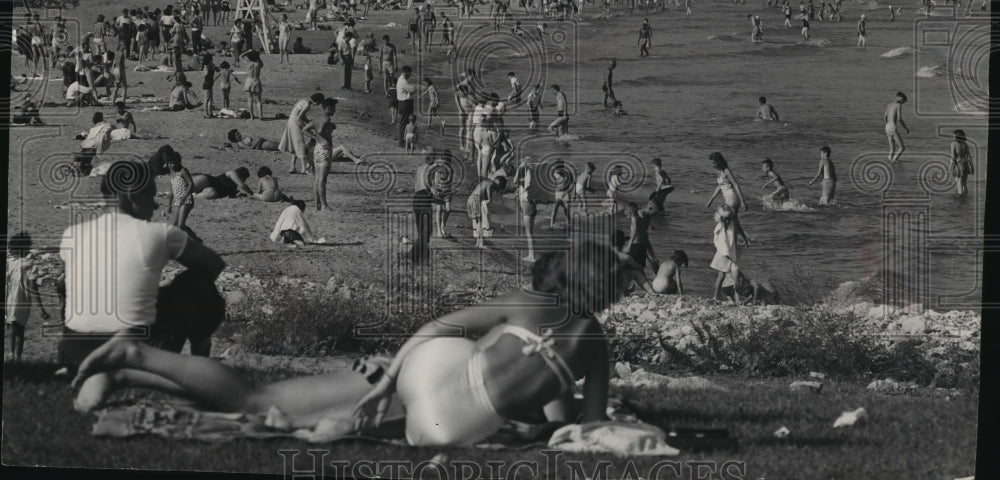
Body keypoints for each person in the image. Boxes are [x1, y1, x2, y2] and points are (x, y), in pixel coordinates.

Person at [71, 243, 626, 446]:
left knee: (263, 403)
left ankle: (128, 373)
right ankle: (134, 354)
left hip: (414, 375)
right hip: (416, 396)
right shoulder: (593, 343)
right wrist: (564, 411)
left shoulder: (527, 303)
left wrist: (387, 379)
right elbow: (582, 420)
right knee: (258, 402)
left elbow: (439, 328)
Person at [60, 159, 225, 409]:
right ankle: (195, 363)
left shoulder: (73, 233)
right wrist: (165, 291)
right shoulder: (158, 233)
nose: (156, 201)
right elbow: (214, 265)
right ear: (130, 195)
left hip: (75, 349)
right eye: (150, 193)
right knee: (198, 283)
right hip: (134, 346)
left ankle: (84, 372)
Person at [6, 232, 49, 362]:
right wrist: (41, 308)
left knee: (11, 326)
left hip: (11, 298)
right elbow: (33, 288)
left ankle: (10, 355)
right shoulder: (31, 265)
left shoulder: (10, 263)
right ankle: (17, 357)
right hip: (24, 300)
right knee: (20, 328)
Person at [710, 203, 750, 303]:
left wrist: (745, 239)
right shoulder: (719, 227)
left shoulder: (732, 221)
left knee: (736, 277)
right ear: (720, 217)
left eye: (729, 217)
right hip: (723, 254)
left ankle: (737, 298)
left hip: (732, 253)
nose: (727, 220)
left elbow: (739, 228)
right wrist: (727, 255)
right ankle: (716, 296)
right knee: (721, 276)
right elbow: (718, 243)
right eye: (725, 218)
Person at [280, 92, 325, 174]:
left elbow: (301, 115)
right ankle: (304, 169)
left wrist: (308, 122)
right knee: (300, 145)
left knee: (294, 145)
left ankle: (292, 166)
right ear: (317, 101)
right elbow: (299, 118)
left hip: (290, 122)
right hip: (295, 124)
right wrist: (305, 127)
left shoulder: (303, 101)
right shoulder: (307, 105)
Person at [466, 175, 505, 249]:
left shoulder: (486, 181)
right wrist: (489, 202)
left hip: (471, 198)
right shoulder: (492, 183)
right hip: (476, 199)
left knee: (477, 222)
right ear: (499, 182)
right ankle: (481, 243)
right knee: (481, 222)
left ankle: (478, 242)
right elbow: (489, 192)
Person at [624, 202, 659, 273]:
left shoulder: (635, 217)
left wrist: (629, 245)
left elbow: (635, 231)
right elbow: (639, 231)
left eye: (626, 211)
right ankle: (655, 278)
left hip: (636, 245)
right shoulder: (641, 217)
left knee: (631, 268)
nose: (625, 213)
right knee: (641, 268)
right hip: (642, 244)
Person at [166, 151, 196, 231]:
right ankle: (195, 239)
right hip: (177, 201)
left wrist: (185, 196)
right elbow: (171, 189)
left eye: (172, 163)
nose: (170, 165)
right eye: (168, 163)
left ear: (177, 162)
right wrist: (169, 204)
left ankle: (194, 240)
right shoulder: (172, 172)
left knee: (180, 225)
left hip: (187, 200)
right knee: (175, 225)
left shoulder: (183, 171)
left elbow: (191, 184)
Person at [884, 91, 910, 162]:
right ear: (900, 98)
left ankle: (889, 161)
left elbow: (885, 117)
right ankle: (893, 162)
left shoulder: (889, 105)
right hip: (892, 126)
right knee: (902, 148)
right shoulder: (898, 105)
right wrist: (905, 128)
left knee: (892, 149)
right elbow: (899, 119)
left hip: (887, 126)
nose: (902, 103)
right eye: (903, 101)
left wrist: (886, 126)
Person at [240, 49, 265, 120]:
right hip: (256, 80)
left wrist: (248, 51)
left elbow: (241, 56)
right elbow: (262, 64)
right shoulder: (258, 64)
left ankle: (251, 116)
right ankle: (261, 116)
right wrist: (257, 56)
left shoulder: (248, 62)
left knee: (250, 99)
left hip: (249, 80)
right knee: (258, 100)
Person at [396, 66, 417, 148]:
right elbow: (413, 89)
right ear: (406, 72)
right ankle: (402, 142)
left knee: (406, 123)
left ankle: (405, 142)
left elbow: (411, 89)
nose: (410, 75)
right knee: (405, 123)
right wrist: (413, 87)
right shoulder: (403, 81)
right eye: (409, 73)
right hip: (405, 103)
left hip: (403, 103)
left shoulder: (401, 80)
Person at [950, 129, 974, 196]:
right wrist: (972, 167)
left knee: (959, 184)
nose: (953, 136)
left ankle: (961, 201)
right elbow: (969, 156)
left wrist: (950, 169)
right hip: (965, 165)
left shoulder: (953, 144)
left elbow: (952, 158)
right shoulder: (965, 144)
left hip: (958, 166)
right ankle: (965, 200)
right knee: (964, 184)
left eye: (954, 135)